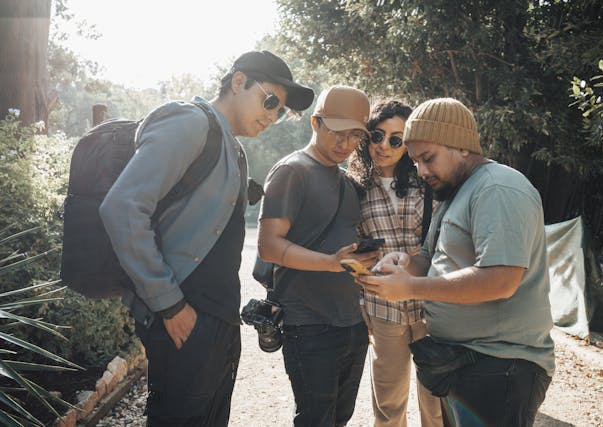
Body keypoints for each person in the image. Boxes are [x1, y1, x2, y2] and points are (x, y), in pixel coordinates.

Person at [99, 50, 314, 427]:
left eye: (280, 112)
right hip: (183, 318)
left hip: (217, 323)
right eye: (270, 101)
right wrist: (170, 306)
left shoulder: (232, 146)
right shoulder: (190, 123)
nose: (272, 115)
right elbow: (122, 207)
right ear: (238, 81)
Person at [358, 98, 555, 427]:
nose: (420, 171)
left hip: (500, 367)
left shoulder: (498, 188)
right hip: (465, 363)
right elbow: (430, 258)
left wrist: (411, 287)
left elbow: (500, 280)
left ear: (461, 147)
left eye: (428, 158)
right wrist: (405, 264)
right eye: (415, 161)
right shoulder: (456, 193)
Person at [257, 85, 379, 427]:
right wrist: (329, 262)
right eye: (336, 132)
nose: (344, 143)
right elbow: (269, 245)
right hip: (308, 324)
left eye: (354, 135)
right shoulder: (290, 171)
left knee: (340, 417)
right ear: (315, 123)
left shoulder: (348, 183)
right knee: (315, 420)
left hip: (352, 324)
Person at [347, 99, 442, 427]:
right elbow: (353, 250)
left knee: (437, 402)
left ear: (408, 143)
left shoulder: (428, 183)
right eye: (377, 135)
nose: (383, 146)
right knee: (388, 404)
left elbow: (445, 242)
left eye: (396, 139)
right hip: (382, 306)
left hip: (431, 305)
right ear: (366, 136)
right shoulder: (354, 189)